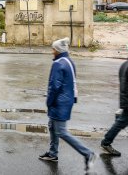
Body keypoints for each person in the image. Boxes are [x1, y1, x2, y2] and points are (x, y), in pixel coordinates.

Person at [39, 37, 96, 172]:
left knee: (62, 132)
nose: (52, 51)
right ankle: (53, 154)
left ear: (58, 50)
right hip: (66, 100)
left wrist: (49, 101)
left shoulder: (58, 64)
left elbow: (54, 86)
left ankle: (88, 154)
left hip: (59, 102)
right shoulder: (69, 61)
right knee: (52, 126)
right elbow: (72, 83)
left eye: (53, 49)